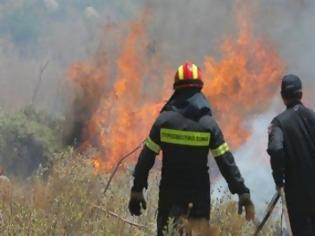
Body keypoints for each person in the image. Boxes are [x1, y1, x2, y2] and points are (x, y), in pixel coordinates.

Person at [128, 62, 255, 235]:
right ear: (199, 90)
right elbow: (226, 162)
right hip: (199, 200)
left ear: (176, 90)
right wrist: (242, 192)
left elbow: (146, 158)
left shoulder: (164, 122)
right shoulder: (208, 125)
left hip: (170, 197)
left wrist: (137, 189)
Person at [267, 74, 315, 235]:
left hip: (297, 193)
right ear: (300, 94)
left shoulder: (279, 123)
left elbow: (275, 149)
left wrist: (279, 179)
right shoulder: (313, 116)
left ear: (283, 96)